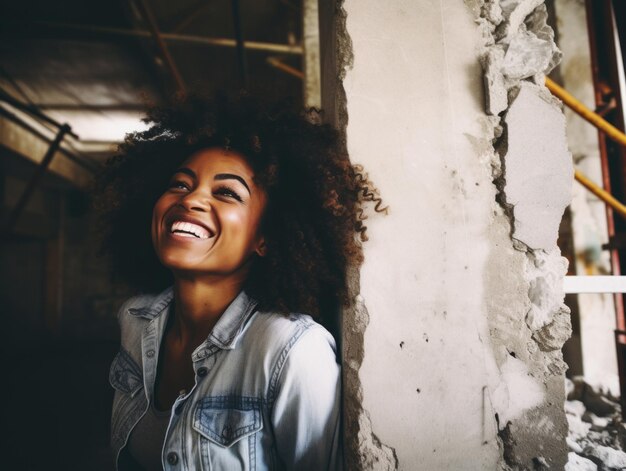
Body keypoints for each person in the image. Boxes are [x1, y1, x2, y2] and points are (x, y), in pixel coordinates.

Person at [93, 92, 386, 470]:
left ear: (265, 237)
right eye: (180, 184)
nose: (191, 200)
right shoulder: (134, 320)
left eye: (227, 192)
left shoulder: (290, 351)